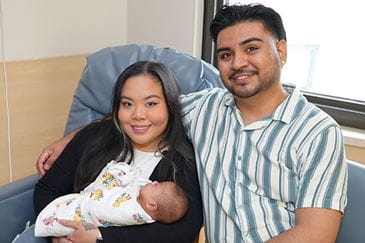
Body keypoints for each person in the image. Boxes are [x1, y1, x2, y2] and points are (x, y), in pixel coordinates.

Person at [36, 4, 348, 243]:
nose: (238, 63)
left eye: (251, 49)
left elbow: (316, 234)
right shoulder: (206, 109)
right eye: (226, 54)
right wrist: (71, 138)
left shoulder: (318, 133)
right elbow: (143, 110)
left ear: (280, 51)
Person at [33, 60, 202, 243]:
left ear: (170, 106)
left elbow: (181, 231)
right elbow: (47, 189)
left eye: (151, 104)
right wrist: (59, 233)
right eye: (127, 104)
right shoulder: (95, 138)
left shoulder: (184, 163)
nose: (138, 115)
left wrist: (99, 237)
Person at [35, 161, 188, 237]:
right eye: (127, 104)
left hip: (79, 217)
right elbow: (140, 182)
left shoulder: (130, 212)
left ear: (152, 205)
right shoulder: (147, 199)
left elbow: (100, 208)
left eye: (157, 185)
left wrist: (95, 235)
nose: (154, 182)